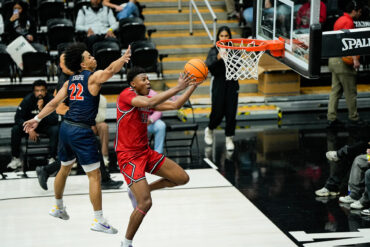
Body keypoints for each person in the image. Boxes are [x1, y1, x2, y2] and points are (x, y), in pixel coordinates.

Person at [23, 43, 131, 233]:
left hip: (65, 127)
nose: (93, 58)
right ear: (82, 64)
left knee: (64, 168)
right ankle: (99, 220)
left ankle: (58, 207)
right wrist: (123, 58)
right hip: (81, 131)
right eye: (89, 57)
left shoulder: (70, 81)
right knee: (94, 175)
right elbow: (110, 70)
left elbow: (54, 103)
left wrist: (37, 118)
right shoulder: (93, 77)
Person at [115, 67, 198, 247]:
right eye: (143, 79)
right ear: (133, 83)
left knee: (182, 178)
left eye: (148, 79)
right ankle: (126, 243)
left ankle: (139, 190)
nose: (148, 82)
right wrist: (177, 88)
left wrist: (192, 86)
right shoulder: (126, 95)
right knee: (145, 203)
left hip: (145, 152)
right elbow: (150, 101)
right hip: (128, 156)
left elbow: (175, 105)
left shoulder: (146, 100)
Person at [35, 53, 122, 191]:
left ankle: (103, 179)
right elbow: (58, 107)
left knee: (79, 155)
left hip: (76, 123)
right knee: (71, 160)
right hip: (72, 124)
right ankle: (46, 171)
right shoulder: (65, 81)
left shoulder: (78, 78)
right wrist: (80, 116)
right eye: (62, 61)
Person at [7, 80, 59, 170]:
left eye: (42, 90)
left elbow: (54, 119)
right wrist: (30, 129)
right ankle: (16, 158)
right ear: (33, 91)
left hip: (45, 126)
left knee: (56, 129)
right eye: (37, 90)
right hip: (30, 127)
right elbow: (18, 118)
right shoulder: (28, 99)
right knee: (15, 129)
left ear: (46, 91)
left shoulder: (51, 99)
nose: (39, 93)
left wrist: (42, 109)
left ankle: (52, 158)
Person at [327, 1, 362, 127]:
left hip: (333, 60)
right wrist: (355, 60)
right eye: (359, 11)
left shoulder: (340, 20)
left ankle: (331, 118)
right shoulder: (349, 22)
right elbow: (349, 42)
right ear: (354, 11)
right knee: (350, 91)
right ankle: (354, 118)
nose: (359, 14)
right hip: (343, 61)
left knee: (335, 90)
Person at [204, 26, 239, 151]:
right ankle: (210, 129)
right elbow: (208, 66)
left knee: (231, 113)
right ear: (218, 37)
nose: (224, 38)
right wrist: (218, 57)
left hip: (232, 84)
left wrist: (228, 56)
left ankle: (229, 137)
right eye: (221, 36)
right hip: (218, 83)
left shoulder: (235, 50)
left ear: (230, 37)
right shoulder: (213, 50)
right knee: (217, 112)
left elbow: (237, 66)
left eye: (226, 36)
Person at [147, 89, 166, 154]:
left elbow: (158, 111)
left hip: (150, 121)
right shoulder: (131, 94)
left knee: (161, 126)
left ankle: (158, 154)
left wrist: (151, 120)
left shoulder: (153, 94)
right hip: (137, 122)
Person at [95, 94, 110, 165]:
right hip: (85, 123)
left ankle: (104, 156)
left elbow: (101, 117)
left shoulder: (102, 98)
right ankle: (75, 158)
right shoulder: (83, 96)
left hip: (98, 122)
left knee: (104, 126)